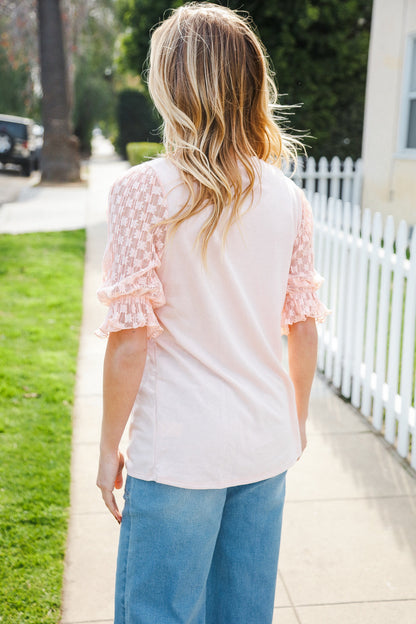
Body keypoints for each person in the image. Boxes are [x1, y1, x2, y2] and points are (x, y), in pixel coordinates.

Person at [96, 3, 329, 623]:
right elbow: (303, 327)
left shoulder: (144, 190)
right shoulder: (289, 198)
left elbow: (129, 340)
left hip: (178, 451)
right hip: (264, 441)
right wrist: (295, 422)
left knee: (158, 614)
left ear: (172, 84)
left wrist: (108, 446)